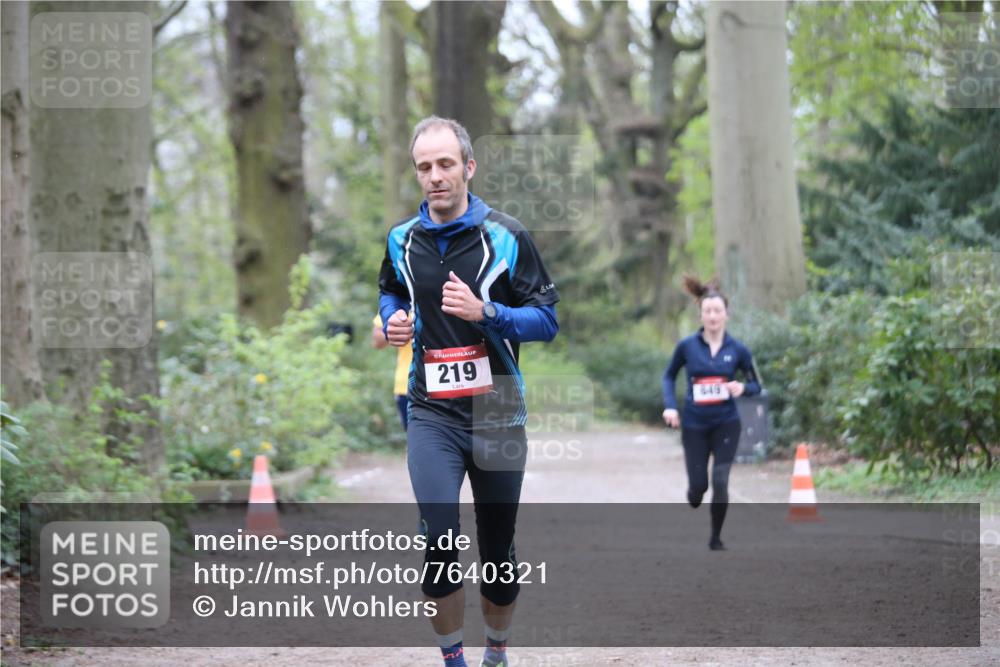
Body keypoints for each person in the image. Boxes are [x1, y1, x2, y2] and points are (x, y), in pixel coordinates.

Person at [378, 116, 559, 667]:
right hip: (431, 413)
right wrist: (395, 320)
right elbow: (389, 291)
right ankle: (453, 659)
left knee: (499, 554)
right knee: (438, 543)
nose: (434, 177)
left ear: (468, 167)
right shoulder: (401, 239)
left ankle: (497, 650)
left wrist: (490, 313)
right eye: (424, 167)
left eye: (445, 164)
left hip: (498, 412)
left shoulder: (506, 236)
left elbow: (546, 320)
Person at [662, 276, 760, 551]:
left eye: (718, 311)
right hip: (694, 424)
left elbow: (756, 385)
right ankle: (694, 492)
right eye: (708, 311)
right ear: (701, 314)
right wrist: (670, 406)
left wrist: (742, 387)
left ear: (726, 315)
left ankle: (716, 538)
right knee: (698, 490)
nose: (713, 316)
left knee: (720, 479)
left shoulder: (738, 350)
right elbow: (668, 376)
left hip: (726, 423)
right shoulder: (687, 347)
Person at [371, 312, 413, 429]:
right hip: (407, 385)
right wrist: (400, 330)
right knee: (415, 442)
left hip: (454, 381)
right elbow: (377, 340)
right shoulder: (400, 298)